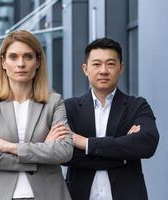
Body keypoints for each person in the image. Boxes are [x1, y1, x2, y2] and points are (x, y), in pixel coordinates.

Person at [0, 30, 73, 200]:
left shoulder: (54, 102)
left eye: (28, 56)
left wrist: (7, 146)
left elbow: (64, 151)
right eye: (13, 57)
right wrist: (41, 152)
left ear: (38, 62)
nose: (21, 64)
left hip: (48, 194)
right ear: (3, 62)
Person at [64, 37, 159, 200]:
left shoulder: (136, 106)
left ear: (121, 68)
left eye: (110, 64)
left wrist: (87, 144)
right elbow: (65, 155)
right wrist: (123, 155)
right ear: (85, 69)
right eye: (96, 64)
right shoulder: (69, 108)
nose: (103, 70)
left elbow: (147, 144)